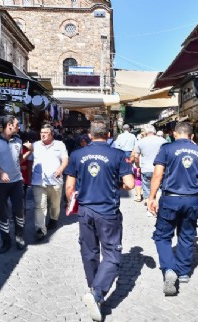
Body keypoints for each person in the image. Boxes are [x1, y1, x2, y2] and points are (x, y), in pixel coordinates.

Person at [64, 121, 134, 321]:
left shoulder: (77, 154)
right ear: (109, 134)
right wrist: (116, 183)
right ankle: (97, 293)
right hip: (108, 210)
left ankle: (93, 287)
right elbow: (129, 183)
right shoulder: (118, 155)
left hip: (85, 210)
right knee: (111, 252)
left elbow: (69, 188)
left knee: (89, 251)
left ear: (89, 134)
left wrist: (74, 202)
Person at [148, 122, 198, 296]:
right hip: (192, 199)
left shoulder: (166, 149)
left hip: (171, 199)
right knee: (187, 236)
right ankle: (183, 273)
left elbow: (158, 174)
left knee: (162, 236)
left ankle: (169, 269)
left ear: (174, 134)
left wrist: (151, 197)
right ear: (192, 136)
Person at [0, 115, 28, 253]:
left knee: (19, 211)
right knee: (3, 213)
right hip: (0, 183)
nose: (19, 126)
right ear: (9, 125)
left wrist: (29, 152)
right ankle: (6, 241)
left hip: (16, 181)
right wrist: (0, 172)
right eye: (17, 124)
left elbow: (19, 159)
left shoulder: (18, 141)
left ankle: (19, 237)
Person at [31, 124, 69, 240]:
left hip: (55, 181)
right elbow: (27, 161)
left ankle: (53, 219)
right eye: (41, 132)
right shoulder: (35, 145)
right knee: (40, 206)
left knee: (55, 204)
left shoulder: (60, 145)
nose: (42, 134)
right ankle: (40, 229)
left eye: (45, 132)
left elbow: (65, 160)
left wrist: (60, 170)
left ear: (52, 134)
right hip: (38, 181)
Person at [133, 124, 167, 212]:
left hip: (146, 169)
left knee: (147, 189)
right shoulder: (163, 141)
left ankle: (150, 210)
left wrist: (138, 166)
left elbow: (136, 157)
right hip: (160, 169)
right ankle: (158, 207)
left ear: (145, 132)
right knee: (159, 188)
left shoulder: (140, 142)